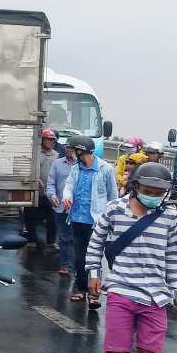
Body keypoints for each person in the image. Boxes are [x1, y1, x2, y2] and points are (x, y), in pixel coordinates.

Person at [86, 162, 177, 353]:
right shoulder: (114, 210)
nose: (153, 195)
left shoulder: (170, 216)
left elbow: (175, 257)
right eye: (148, 190)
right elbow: (96, 244)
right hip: (121, 289)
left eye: (159, 191)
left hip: (156, 295)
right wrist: (94, 274)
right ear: (136, 187)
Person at [61, 135, 117, 308]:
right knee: (80, 257)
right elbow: (69, 186)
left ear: (81, 151)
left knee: (95, 258)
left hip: (97, 222)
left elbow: (113, 196)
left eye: (74, 150)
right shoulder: (76, 169)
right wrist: (67, 197)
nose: (72, 152)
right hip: (78, 218)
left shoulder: (105, 169)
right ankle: (81, 289)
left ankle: (94, 294)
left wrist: (112, 219)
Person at [24, 128, 60, 249]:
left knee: (52, 218)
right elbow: (28, 168)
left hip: (50, 193)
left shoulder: (56, 156)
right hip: (36, 191)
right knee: (31, 216)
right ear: (42, 140)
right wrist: (35, 178)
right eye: (49, 139)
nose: (51, 142)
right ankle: (31, 239)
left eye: (53, 140)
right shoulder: (35, 154)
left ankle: (51, 241)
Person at [46, 143, 77, 275]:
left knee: (77, 239)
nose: (70, 150)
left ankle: (78, 266)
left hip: (78, 209)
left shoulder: (81, 165)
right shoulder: (57, 164)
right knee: (64, 238)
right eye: (68, 147)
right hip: (61, 208)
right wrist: (52, 196)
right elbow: (51, 183)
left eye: (73, 148)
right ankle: (66, 265)